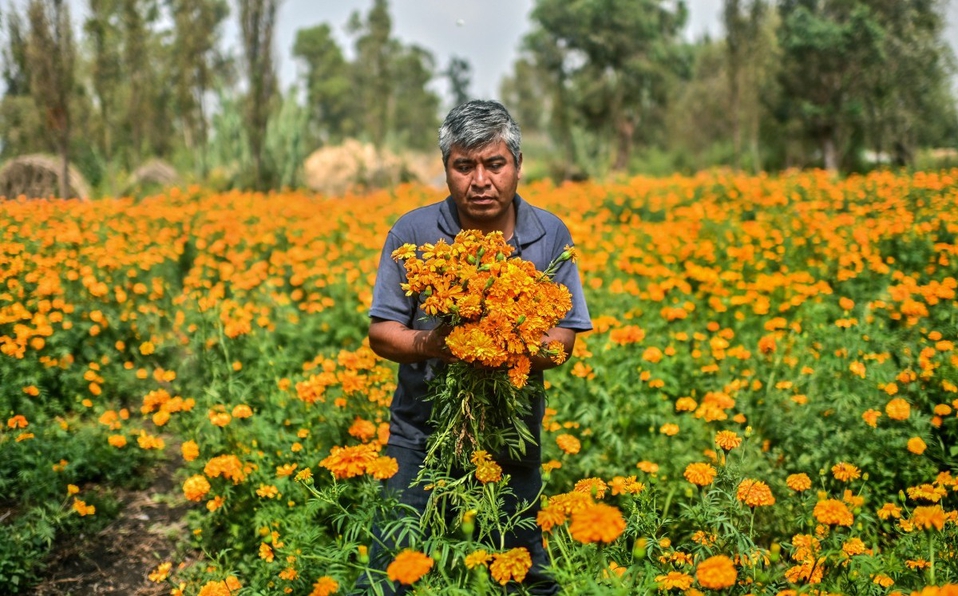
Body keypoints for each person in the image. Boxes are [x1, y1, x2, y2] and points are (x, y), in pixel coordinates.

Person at [362, 99, 592, 595]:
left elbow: (563, 341)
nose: (480, 180)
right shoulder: (414, 233)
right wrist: (438, 344)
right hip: (421, 434)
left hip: (512, 433)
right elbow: (382, 334)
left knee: (523, 571)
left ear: (517, 166)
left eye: (494, 163)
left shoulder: (550, 234)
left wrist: (505, 343)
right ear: (446, 170)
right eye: (464, 166)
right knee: (390, 569)